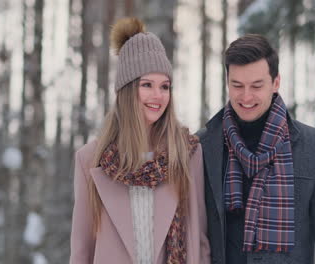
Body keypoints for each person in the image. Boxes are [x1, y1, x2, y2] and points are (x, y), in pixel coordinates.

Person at [197, 34, 315, 264]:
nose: (246, 96)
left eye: (257, 86)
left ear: (276, 82)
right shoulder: (202, 146)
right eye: (237, 85)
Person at [70, 17, 210, 264]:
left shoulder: (186, 153)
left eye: (165, 86)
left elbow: (198, 240)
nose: (158, 96)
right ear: (127, 90)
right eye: (147, 85)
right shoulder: (91, 160)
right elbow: (82, 249)